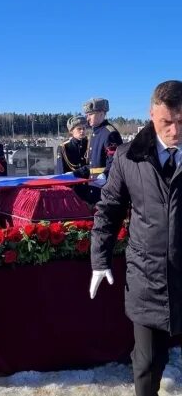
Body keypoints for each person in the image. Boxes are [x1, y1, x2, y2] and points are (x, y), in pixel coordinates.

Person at [89, 80, 182, 396]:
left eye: (181, 121)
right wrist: (100, 259)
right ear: (152, 114)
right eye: (166, 122)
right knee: (147, 363)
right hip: (147, 277)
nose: (174, 130)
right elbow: (109, 209)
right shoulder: (130, 158)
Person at [79, 97, 124, 203]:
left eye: (90, 114)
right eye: (87, 115)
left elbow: (116, 161)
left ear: (101, 113)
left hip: (106, 189)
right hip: (93, 187)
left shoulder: (109, 133)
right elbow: (93, 164)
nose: (87, 118)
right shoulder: (95, 134)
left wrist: (105, 174)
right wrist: (75, 174)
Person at [55, 115, 89, 200]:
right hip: (73, 190)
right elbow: (61, 172)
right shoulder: (64, 147)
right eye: (79, 129)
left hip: (89, 187)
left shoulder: (89, 144)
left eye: (84, 128)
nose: (82, 131)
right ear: (71, 131)